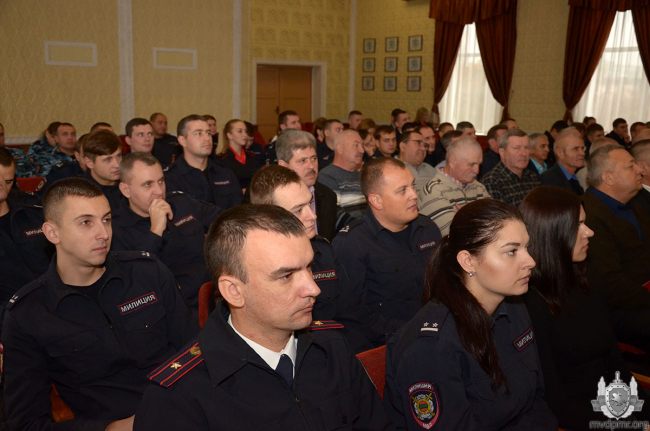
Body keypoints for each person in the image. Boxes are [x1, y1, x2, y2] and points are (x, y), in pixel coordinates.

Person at [132, 204, 392, 430]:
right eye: (286, 276)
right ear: (234, 291)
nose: (313, 289)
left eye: (309, 267)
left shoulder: (332, 348)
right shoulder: (179, 397)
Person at [2, 177, 198, 431]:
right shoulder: (28, 314)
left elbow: (195, 348)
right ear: (52, 233)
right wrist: (111, 428)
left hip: (186, 406)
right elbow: (26, 424)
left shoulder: (148, 273)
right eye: (86, 222)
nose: (103, 234)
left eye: (106, 220)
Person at [383, 198, 558, 430]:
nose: (531, 261)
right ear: (468, 262)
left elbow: (535, 402)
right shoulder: (431, 347)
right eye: (511, 251)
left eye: (527, 248)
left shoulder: (514, 307)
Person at [520, 186, 646, 430]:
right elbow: (554, 400)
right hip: (579, 418)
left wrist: (640, 411)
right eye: (578, 225)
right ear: (552, 233)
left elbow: (614, 361)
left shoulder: (586, 280)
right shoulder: (530, 302)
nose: (590, 232)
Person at [249, 166, 373, 352]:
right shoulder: (252, 266)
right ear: (268, 219)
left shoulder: (324, 251)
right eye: (299, 210)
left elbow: (353, 317)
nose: (312, 216)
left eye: (310, 203)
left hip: (337, 350)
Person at [333, 157, 442, 347]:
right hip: (386, 344)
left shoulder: (427, 229)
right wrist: (413, 332)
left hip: (436, 333)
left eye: (412, 186)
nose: (414, 195)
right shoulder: (351, 244)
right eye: (402, 190)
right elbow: (354, 316)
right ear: (377, 200)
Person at [112, 152, 221, 308]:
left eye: (161, 181)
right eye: (148, 184)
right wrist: (155, 231)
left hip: (216, 295)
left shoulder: (180, 202)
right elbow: (137, 280)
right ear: (125, 190)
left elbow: (225, 220)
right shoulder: (117, 230)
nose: (159, 191)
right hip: (174, 309)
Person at [583, 144, 650, 314]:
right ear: (608, 178)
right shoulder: (588, 216)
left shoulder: (633, 204)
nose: (639, 170)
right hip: (623, 311)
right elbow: (610, 284)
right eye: (630, 166)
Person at [0, 148, 52, 312]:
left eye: (8, 182)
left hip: (54, 301)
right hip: (10, 314)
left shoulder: (32, 209)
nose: (3, 190)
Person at [163, 114, 242, 210]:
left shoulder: (223, 172)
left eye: (208, 133)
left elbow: (237, 209)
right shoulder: (171, 178)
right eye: (199, 134)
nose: (207, 138)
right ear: (183, 140)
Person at [419, 137, 490, 236]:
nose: (477, 171)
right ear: (453, 161)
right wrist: (477, 218)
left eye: (479, 165)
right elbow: (454, 235)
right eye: (471, 164)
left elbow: (497, 222)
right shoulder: (433, 191)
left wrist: (466, 219)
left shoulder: (479, 188)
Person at [276, 129, 337, 240]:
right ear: (283, 166)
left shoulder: (328, 196)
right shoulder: (271, 199)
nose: (311, 166)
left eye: (314, 159)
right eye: (302, 161)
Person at [318, 129, 367, 225]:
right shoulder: (327, 176)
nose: (362, 150)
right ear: (340, 149)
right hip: (350, 231)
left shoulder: (362, 176)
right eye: (356, 145)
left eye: (362, 146)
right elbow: (334, 215)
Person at [482, 128, 541, 207]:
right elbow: (498, 214)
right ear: (502, 153)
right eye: (517, 148)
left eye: (526, 148)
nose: (524, 154)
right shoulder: (492, 181)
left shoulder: (532, 177)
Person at [82, 129, 124, 209]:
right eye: (108, 159)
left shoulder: (130, 183)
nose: (117, 165)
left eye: (118, 156)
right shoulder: (79, 195)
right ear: (89, 162)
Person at [216, 119, 261, 191]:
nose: (245, 135)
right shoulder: (221, 160)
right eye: (240, 131)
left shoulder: (252, 156)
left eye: (245, 131)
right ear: (229, 135)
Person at [540, 130, 586, 195]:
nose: (582, 153)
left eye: (582, 148)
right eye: (575, 149)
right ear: (560, 153)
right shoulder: (549, 179)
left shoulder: (573, 177)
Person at [397, 131, 435, 197]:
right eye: (418, 143)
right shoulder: (391, 169)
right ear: (403, 146)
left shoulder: (430, 169)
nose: (423, 148)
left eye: (425, 145)